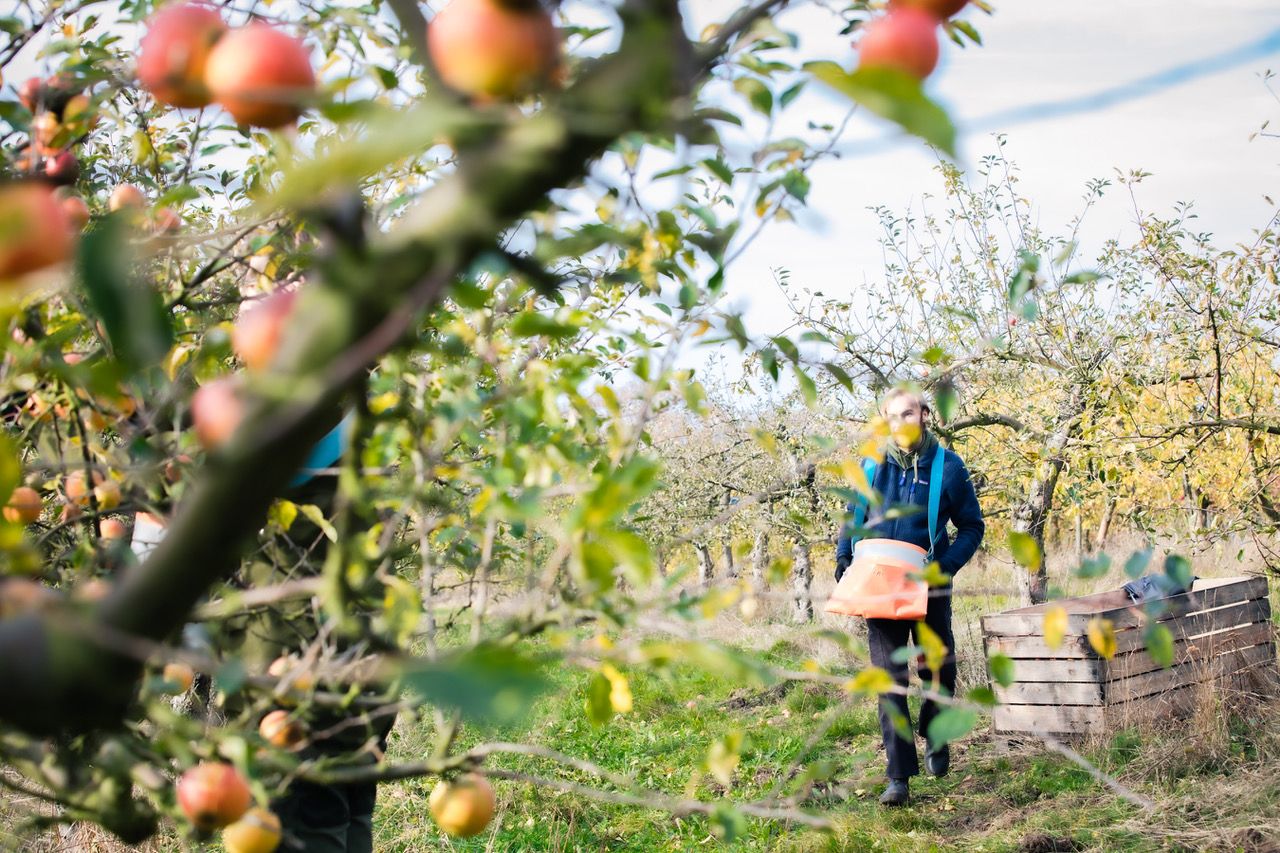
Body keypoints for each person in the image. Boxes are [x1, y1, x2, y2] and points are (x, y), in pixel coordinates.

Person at [835, 387, 984, 807]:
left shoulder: (949, 468)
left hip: (929, 583)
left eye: (908, 413)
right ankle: (898, 777)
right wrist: (844, 559)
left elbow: (972, 527)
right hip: (880, 585)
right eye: (892, 416)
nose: (901, 423)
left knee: (940, 670)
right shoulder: (870, 466)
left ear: (924, 414)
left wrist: (946, 566)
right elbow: (851, 519)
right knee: (889, 681)